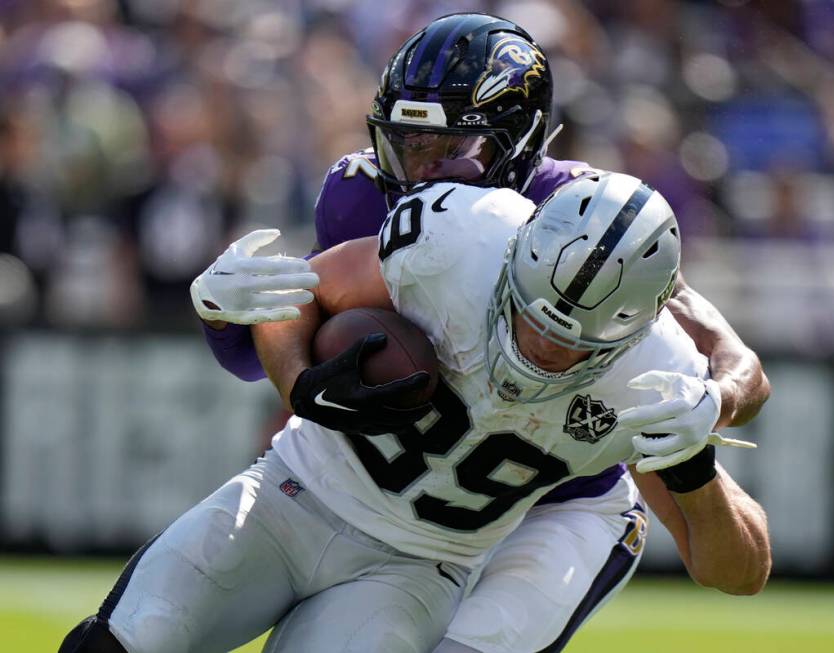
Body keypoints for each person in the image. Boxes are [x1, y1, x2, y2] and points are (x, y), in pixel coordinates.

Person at [186, 13, 771, 652]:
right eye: (409, 145)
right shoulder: (360, 197)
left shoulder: (579, 221)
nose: (424, 173)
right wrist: (228, 320)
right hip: (425, 493)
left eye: (451, 152)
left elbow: (727, 360)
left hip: (560, 491)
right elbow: (291, 350)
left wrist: (708, 410)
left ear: (518, 143)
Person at [61, 173, 770, 653]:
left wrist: (694, 467)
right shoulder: (461, 236)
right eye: (529, 314)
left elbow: (740, 569)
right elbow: (304, 292)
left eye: (570, 338)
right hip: (289, 497)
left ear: (634, 328)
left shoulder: (655, 375)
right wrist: (299, 386)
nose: (539, 343)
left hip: (414, 569)